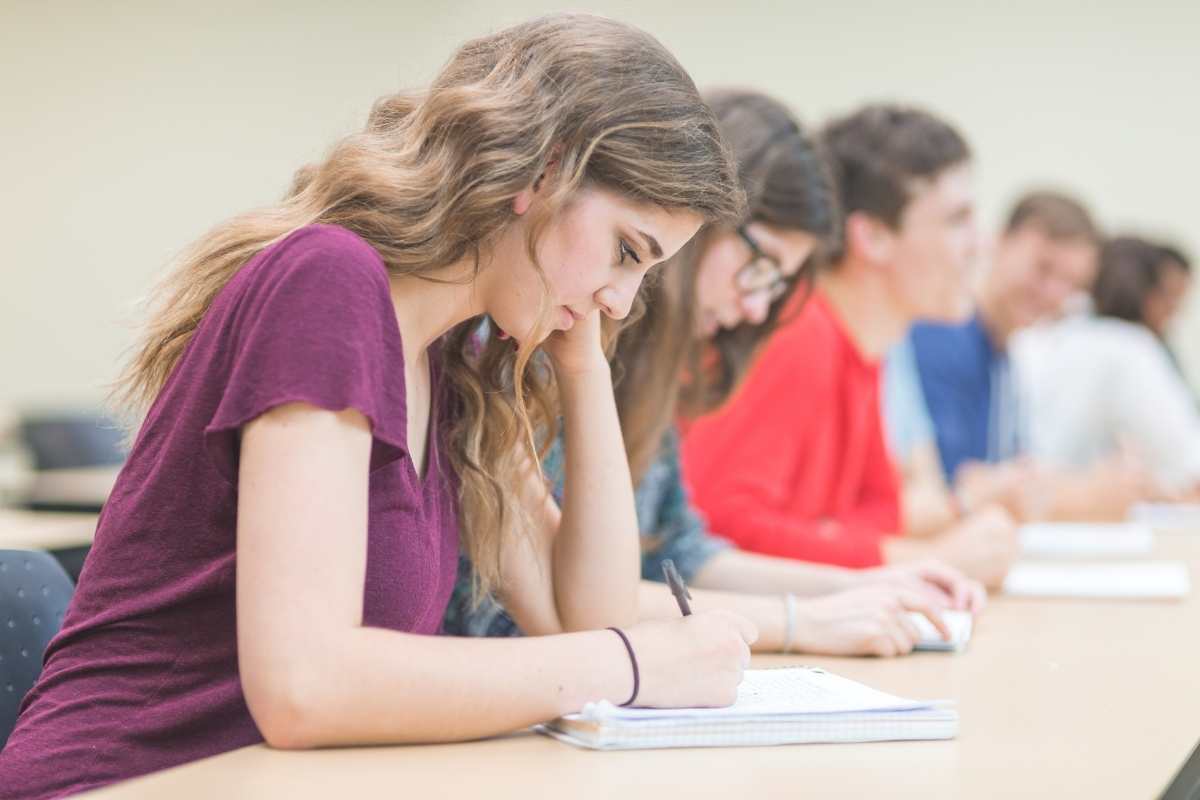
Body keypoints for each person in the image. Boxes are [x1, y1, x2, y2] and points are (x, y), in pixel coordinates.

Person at [0, 15, 758, 799]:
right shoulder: (328, 284)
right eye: (626, 252)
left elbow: (585, 620)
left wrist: (583, 363)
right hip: (127, 781)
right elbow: (304, 685)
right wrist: (635, 667)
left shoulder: (454, 360)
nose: (622, 297)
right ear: (545, 171)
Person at [446, 90, 985, 660]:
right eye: (760, 267)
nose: (757, 310)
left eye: (777, 283)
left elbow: (683, 551)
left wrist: (859, 588)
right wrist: (801, 619)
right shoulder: (541, 335)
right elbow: (569, 603)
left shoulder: (645, 364)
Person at [680, 104, 1018, 588]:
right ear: (873, 237)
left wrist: (855, 543)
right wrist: (926, 560)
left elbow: (877, 511)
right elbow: (719, 526)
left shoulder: (863, 350)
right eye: (957, 220)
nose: (980, 244)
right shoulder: (796, 331)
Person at [888, 191, 1153, 527]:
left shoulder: (1005, 358)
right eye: (1043, 268)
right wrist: (1083, 496)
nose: (1053, 293)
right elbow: (953, 485)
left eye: (1071, 285)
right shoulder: (940, 335)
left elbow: (1009, 472)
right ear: (998, 242)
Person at [1017, 237, 1200, 496]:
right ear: (1148, 296)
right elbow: (1189, 462)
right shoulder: (1128, 347)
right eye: (1171, 298)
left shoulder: (1048, 335)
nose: (1175, 312)